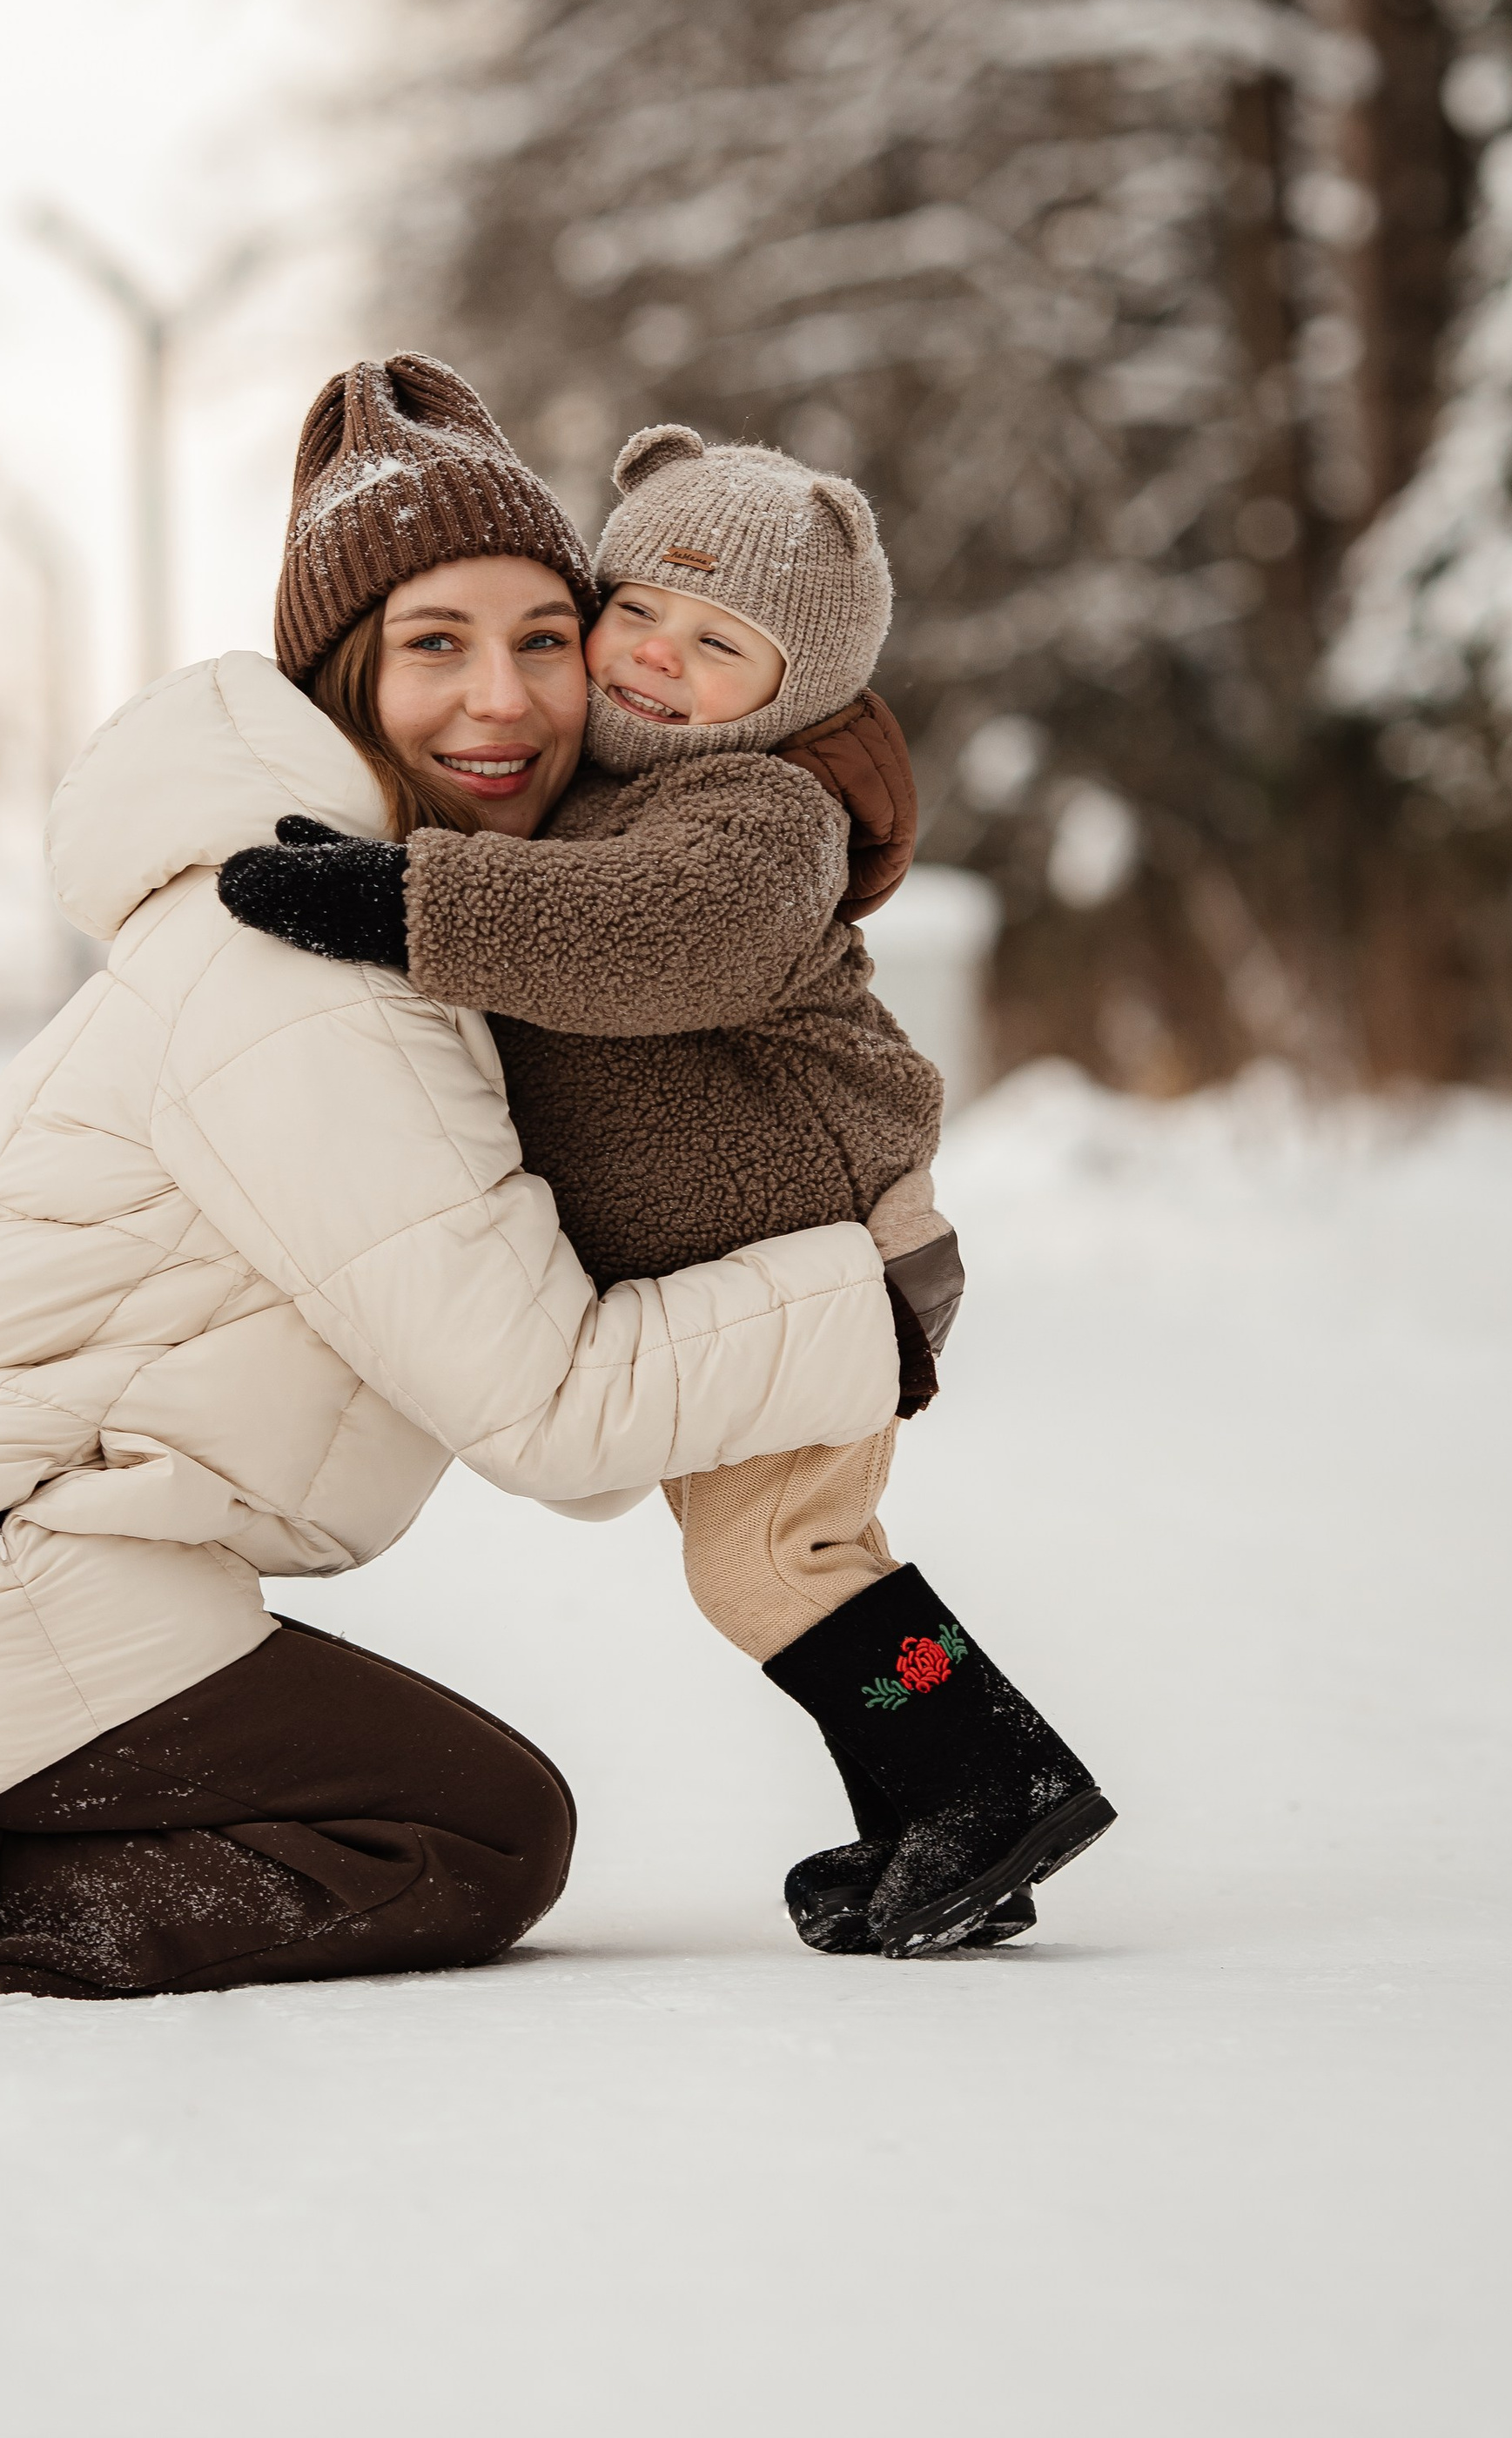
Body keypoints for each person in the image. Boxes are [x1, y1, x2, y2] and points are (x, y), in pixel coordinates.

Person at [0, 357, 902, 2007]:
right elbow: (553, 1414)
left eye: (547, 638)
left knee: (466, 1816)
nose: (506, 700)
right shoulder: (304, 969)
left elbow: (554, 1392)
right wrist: (855, 1301)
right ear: (340, 677)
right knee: (467, 1833)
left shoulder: (395, 924)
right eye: (434, 646)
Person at [222, 420, 1114, 1958]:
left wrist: (397, 899)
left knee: (779, 1557)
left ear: (799, 689)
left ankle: (982, 1780)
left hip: (833, 1249)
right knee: (788, 1559)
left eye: (722, 644)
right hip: (762, 1267)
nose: (655, 659)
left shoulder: (760, 816)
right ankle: (937, 1809)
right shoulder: (610, 797)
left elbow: (656, 936)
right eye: (634, 612)